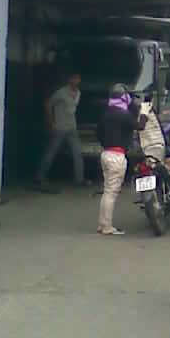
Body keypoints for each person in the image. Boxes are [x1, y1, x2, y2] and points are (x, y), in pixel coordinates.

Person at [96, 83, 146, 236]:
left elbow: (98, 133)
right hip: (117, 157)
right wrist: (144, 114)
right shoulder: (124, 115)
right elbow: (140, 126)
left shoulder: (106, 114)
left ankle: (102, 224)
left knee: (107, 191)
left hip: (106, 154)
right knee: (112, 193)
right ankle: (107, 227)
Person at [36, 73, 88, 190]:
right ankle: (40, 177)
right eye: (74, 78)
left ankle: (79, 180)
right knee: (51, 152)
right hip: (60, 127)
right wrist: (51, 122)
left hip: (72, 127)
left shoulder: (78, 93)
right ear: (69, 80)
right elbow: (48, 104)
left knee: (77, 153)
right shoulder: (61, 92)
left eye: (78, 78)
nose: (76, 81)